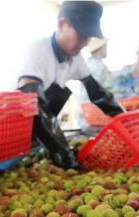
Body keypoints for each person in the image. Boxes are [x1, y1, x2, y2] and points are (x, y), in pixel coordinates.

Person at [17, 1, 124, 168]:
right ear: (61, 24)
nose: (85, 42)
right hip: (15, 135)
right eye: (81, 34)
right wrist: (63, 152)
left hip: (39, 141)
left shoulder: (76, 58)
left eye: (89, 36)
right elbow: (34, 106)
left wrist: (124, 120)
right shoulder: (39, 50)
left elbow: (99, 94)